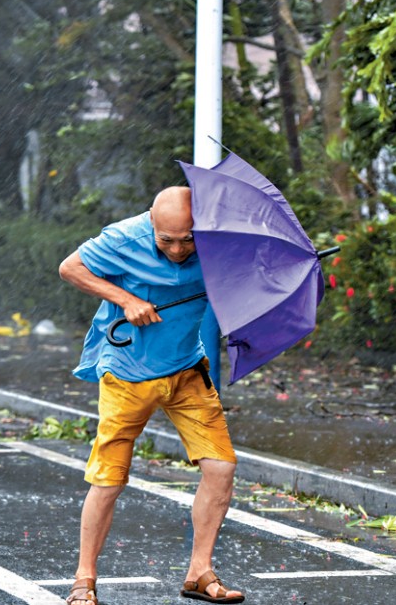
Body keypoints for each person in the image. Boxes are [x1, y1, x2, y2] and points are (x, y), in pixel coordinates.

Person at [58, 186, 245, 605]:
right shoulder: (124, 238)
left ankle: (200, 572)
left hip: (186, 369)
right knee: (109, 477)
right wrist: (125, 299)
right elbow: (70, 268)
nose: (179, 250)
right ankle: (83, 581)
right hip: (126, 372)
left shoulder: (219, 244)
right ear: (152, 225)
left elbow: (241, 279)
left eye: (188, 239)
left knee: (221, 468)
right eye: (167, 240)